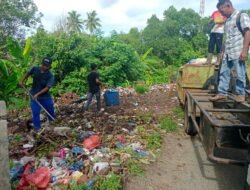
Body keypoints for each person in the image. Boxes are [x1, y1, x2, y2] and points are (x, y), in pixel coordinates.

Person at [210, 0, 250, 102]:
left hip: (238, 51)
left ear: (228, 6)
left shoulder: (241, 15)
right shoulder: (227, 21)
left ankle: (241, 94)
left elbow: (247, 32)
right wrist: (223, 51)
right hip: (228, 52)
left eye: (222, 11)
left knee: (240, 74)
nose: (222, 14)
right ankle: (222, 93)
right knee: (224, 72)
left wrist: (245, 50)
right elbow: (226, 38)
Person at [19, 57, 55, 131]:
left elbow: (47, 88)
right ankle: (37, 128)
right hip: (33, 95)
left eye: (47, 66)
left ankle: (52, 123)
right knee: (35, 113)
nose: (44, 67)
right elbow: (28, 73)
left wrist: (38, 94)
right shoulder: (35, 69)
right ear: (41, 63)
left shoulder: (50, 76)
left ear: (49, 66)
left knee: (50, 110)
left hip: (45, 97)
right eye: (43, 65)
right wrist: (22, 80)